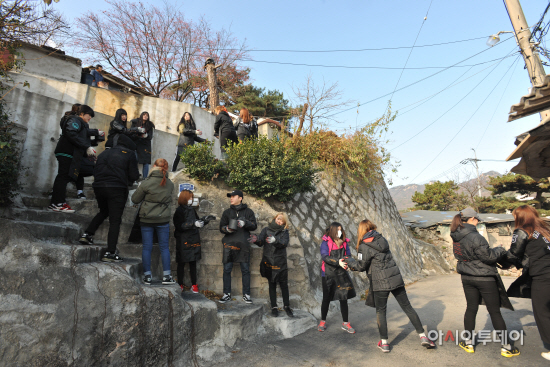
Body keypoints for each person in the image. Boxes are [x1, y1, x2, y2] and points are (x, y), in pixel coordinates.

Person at [346, 219, 435, 352]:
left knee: (381, 311)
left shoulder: (364, 246)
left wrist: (350, 261)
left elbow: (361, 266)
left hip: (379, 282)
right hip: (395, 279)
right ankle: (423, 337)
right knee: (408, 307)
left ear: (361, 231)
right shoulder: (382, 239)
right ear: (372, 227)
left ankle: (385, 343)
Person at [450, 207, 519, 357]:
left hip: (467, 277)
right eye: (477, 220)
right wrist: (500, 250)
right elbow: (488, 257)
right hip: (484, 278)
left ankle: (468, 343)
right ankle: (507, 347)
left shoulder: (455, 235)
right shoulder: (476, 237)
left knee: (471, 308)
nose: (478, 222)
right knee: (494, 311)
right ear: (472, 219)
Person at [78, 134, 140, 263]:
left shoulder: (104, 153)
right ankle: (110, 252)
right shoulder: (129, 154)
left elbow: (96, 170)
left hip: (99, 186)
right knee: (115, 220)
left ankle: (87, 234)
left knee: (104, 211)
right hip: (116, 188)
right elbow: (134, 175)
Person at [507, 205, 550, 361]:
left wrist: (499, 258)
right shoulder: (545, 229)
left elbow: (513, 254)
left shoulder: (523, 231)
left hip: (542, 277)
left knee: (543, 313)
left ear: (520, 217)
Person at [50, 105, 102, 212]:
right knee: (63, 177)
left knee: (63, 177)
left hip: (68, 152)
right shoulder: (75, 120)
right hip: (66, 151)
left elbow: (80, 137)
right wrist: (86, 146)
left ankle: (56, 203)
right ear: (82, 114)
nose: (90, 118)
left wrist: (93, 142)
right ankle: (58, 203)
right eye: (89, 115)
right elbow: (71, 133)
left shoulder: (80, 123)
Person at [131, 158, 175, 284]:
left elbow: (135, 199)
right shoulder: (170, 184)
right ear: (165, 168)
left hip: (147, 218)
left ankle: (147, 276)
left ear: (154, 166)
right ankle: (167, 276)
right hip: (163, 219)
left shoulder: (146, 182)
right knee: (164, 248)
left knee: (147, 248)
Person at [249, 213, 293, 317]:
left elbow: (284, 243)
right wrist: (256, 240)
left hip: (280, 261)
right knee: (271, 284)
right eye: (278, 219)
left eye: (282, 220)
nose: (279, 221)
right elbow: (260, 242)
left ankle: (287, 306)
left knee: (284, 285)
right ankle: (274, 307)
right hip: (268, 260)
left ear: (284, 223)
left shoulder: (284, 232)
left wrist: (275, 240)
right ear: (275, 218)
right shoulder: (266, 229)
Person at [218, 189, 257, 304]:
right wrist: (227, 229)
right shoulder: (226, 212)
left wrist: (246, 223)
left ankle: (246, 295)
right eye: (230, 196)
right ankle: (226, 294)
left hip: (243, 245)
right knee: (227, 269)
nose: (231, 198)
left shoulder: (249, 212)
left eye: (233, 196)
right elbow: (221, 228)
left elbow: (254, 226)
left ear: (240, 198)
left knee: (245, 270)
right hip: (229, 244)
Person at [173, 190, 215, 293]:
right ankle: (180, 285)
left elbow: (197, 222)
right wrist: (193, 223)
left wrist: (204, 220)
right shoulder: (179, 211)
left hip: (193, 238)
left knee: (193, 262)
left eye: (192, 198)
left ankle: (194, 285)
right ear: (185, 198)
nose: (191, 200)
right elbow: (179, 226)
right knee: (181, 263)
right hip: (183, 239)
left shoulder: (191, 210)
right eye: (190, 198)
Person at [318, 222, 356, 334]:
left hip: (341, 274)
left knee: (343, 298)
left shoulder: (344, 243)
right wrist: (337, 261)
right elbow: (325, 257)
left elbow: (348, 256)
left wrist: (349, 264)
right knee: (326, 298)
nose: (340, 231)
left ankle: (345, 323)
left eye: (341, 229)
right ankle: (322, 321)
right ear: (332, 231)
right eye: (337, 230)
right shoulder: (325, 242)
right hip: (328, 274)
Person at [131, 111, 154, 179]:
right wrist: (137, 132)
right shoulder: (135, 122)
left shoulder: (150, 125)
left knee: (146, 162)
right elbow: (131, 132)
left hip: (145, 145)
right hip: (136, 144)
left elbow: (150, 136)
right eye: (144, 115)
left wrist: (145, 135)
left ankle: (145, 179)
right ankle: (134, 177)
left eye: (147, 115)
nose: (145, 116)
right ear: (141, 115)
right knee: (134, 160)